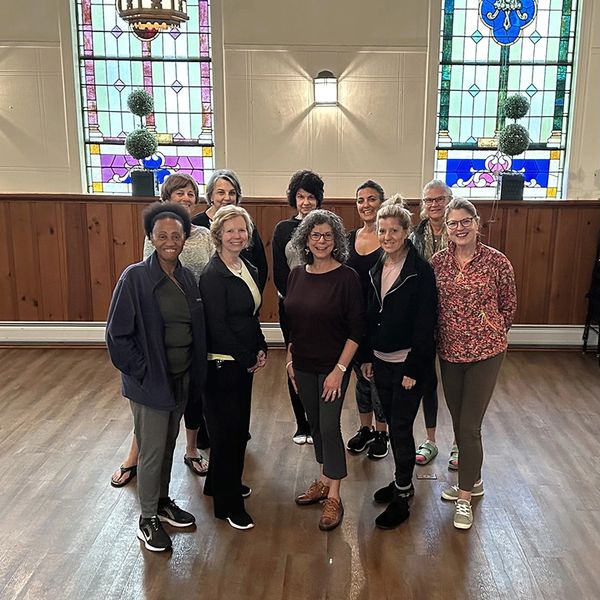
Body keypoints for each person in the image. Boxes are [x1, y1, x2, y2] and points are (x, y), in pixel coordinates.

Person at [106, 202, 207, 552]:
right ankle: (147, 518)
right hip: (151, 382)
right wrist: (144, 372)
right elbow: (117, 336)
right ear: (150, 238)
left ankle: (162, 502)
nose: (169, 241)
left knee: (166, 446)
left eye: (176, 235)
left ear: (185, 238)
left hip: (181, 378)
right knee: (150, 451)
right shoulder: (135, 277)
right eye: (161, 235)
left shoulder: (188, 277)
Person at [110, 173, 213, 488]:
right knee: (152, 429)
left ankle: (187, 457)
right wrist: (143, 369)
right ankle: (147, 503)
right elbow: (125, 325)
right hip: (156, 339)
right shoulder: (140, 268)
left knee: (175, 425)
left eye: (190, 193)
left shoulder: (203, 237)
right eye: (178, 193)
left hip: (192, 323)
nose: (185, 198)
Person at [431, 198, 516, 530]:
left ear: (477, 223)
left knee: (469, 427)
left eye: (465, 221)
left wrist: (490, 330)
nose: (459, 228)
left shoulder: (497, 262)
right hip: (450, 353)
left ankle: (464, 497)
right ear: (447, 229)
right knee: (458, 421)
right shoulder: (438, 263)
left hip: (486, 353)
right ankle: (474, 480)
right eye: (453, 223)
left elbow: (508, 307)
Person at [284, 210, 365, 531]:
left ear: (337, 241)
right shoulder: (296, 275)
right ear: (305, 239)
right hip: (302, 364)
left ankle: (334, 494)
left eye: (327, 236)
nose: (321, 241)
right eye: (315, 235)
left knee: (330, 426)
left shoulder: (347, 278)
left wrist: (340, 370)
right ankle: (323, 478)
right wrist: (290, 360)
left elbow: (357, 331)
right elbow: (290, 322)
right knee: (315, 424)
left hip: (334, 366)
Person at [360, 195, 437, 529]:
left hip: (407, 364)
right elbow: (367, 315)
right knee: (390, 422)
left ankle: (404, 495)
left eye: (394, 230)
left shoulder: (420, 272)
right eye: (382, 230)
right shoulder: (378, 266)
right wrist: (366, 356)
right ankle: (399, 479)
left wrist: (413, 369)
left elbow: (425, 323)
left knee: (402, 427)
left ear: (406, 231)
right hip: (380, 359)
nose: (388, 236)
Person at [199, 205, 267, 530]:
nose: (237, 235)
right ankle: (228, 506)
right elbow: (218, 326)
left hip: (241, 363)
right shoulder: (213, 275)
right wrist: (246, 357)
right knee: (228, 434)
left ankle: (218, 483)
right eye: (230, 230)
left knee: (236, 430)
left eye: (242, 230)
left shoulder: (247, 267)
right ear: (218, 235)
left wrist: (262, 346)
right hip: (223, 366)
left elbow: (250, 317)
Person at [271, 170, 324, 444]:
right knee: (294, 361)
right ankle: (301, 424)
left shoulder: (327, 225)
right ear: (294, 198)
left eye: (311, 197)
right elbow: (280, 272)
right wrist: (296, 300)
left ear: (318, 199)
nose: (305, 202)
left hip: (323, 309)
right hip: (291, 305)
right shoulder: (283, 229)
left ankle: (318, 422)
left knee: (319, 361)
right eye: (301, 196)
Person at [409, 179, 455, 468]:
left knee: (455, 383)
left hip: (455, 318)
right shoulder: (414, 236)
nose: (434, 204)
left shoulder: (460, 231)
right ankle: (431, 440)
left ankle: (460, 443)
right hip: (424, 316)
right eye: (429, 200)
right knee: (427, 380)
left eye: (440, 199)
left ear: (449, 200)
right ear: (423, 205)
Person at [345, 180, 388, 459]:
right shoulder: (348, 238)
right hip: (354, 319)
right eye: (361, 200)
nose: (366, 205)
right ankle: (366, 429)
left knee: (379, 380)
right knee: (361, 377)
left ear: (381, 202)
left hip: (381, 320)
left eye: (371, 199)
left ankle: (382, 433)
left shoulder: (389, 239)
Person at [193, 169, 268, 291]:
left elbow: (260, 265)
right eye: (221, 192)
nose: (227, 198)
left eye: (232, 193)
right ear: (211, 195)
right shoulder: (196, 224)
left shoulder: (247, 224)